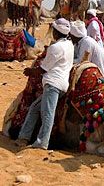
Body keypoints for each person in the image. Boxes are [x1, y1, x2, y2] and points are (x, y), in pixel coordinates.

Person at [15, 18, 74, 149]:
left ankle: (42, 143)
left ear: (57, 33)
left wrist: (30, 71)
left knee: (47, 114)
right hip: (61, 83)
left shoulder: (55, 47)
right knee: (34, 108)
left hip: (53, 84)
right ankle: (23, 137)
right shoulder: (69, 45)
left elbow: (43, 69)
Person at [69, 21, 104, 100]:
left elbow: (82, 61)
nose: (70, 37)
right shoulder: (79, 43)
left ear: (74, 35)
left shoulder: (87, 42)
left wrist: (66, 60)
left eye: (71, 35)